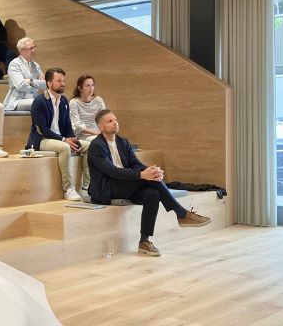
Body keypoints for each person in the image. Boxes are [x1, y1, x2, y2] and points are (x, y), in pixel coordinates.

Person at [88, 109, 212, 256]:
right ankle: (181, 213)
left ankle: (144, 241)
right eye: (110, 121)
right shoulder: (96, 146)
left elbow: (136, 164)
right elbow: (112, 171)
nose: (115, 123)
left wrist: (152, 171)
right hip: (106, 189)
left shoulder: (123, 142)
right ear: (100, 127)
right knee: (148, 179)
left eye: (115, 119)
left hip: (126, 186)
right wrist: (143, 175)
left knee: (152, 194)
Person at [26, 68, 82, 201]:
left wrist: (73, 139)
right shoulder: (39, 101)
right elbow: (42, 129)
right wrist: (63, 140)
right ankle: (68, 189)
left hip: (60, 138)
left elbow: (67, 124)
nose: (63, 84)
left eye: (63, 80)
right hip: (42, 139)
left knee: (90, 146)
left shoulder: (64, 101)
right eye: (59, 81)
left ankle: (86, 187)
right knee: (65, 148)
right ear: (49, 83)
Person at [69, 75, 106, 189]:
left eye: (93, 85)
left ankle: (104, 180)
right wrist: (96, 133)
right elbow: (76, 125)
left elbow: (104, 118)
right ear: (80, 88)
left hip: (97, 133)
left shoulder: (98, 101)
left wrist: (104, 131)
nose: (91, 88)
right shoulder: (74, 103)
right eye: (88, 85)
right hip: (82, 135)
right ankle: (87, 184)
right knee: (97, 142)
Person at [3, 37, 46, 111]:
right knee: (41, 104)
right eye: (30, 48)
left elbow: (44, 85)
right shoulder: (14, 64)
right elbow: (21, 86)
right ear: (21, 51)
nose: (33, 50)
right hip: (18, 100)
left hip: (34, 98)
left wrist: (30, 81)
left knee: (53, 102)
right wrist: (36, 84)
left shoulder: (36, 65)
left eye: (34, 47)